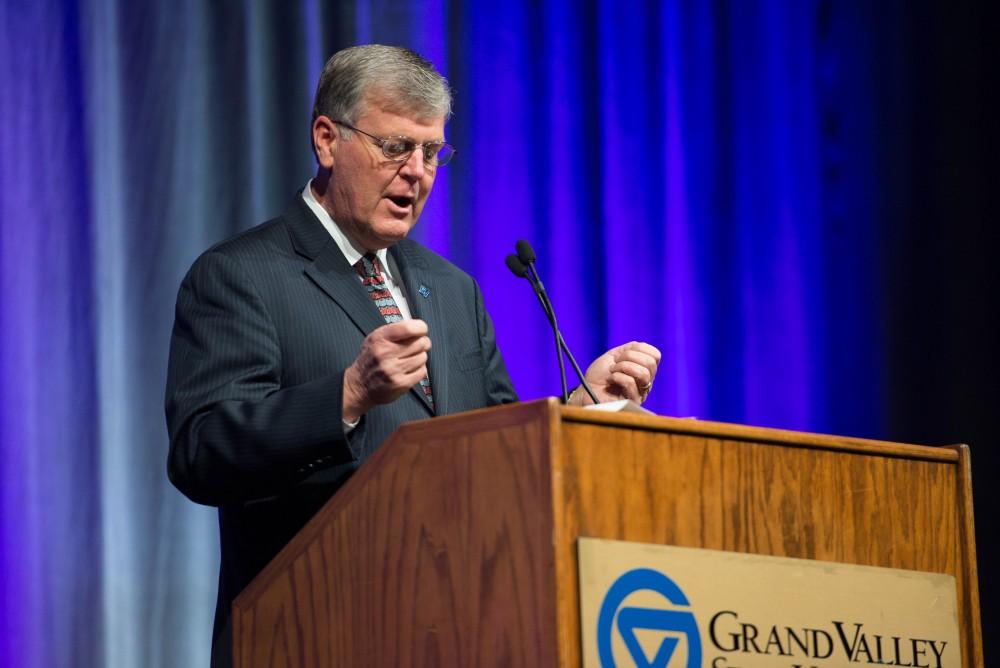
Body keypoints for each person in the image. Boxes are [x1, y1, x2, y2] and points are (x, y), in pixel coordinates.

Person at [165, 44, 660, 667]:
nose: (417, 171)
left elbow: (495, 452)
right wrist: (346, 396)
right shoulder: (241, 276)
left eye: (432, 152)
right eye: (396, 146)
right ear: (326, 139)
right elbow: (201, 452)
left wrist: (581, 411)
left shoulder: (451, 289)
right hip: (310, 636)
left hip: (453, 637)